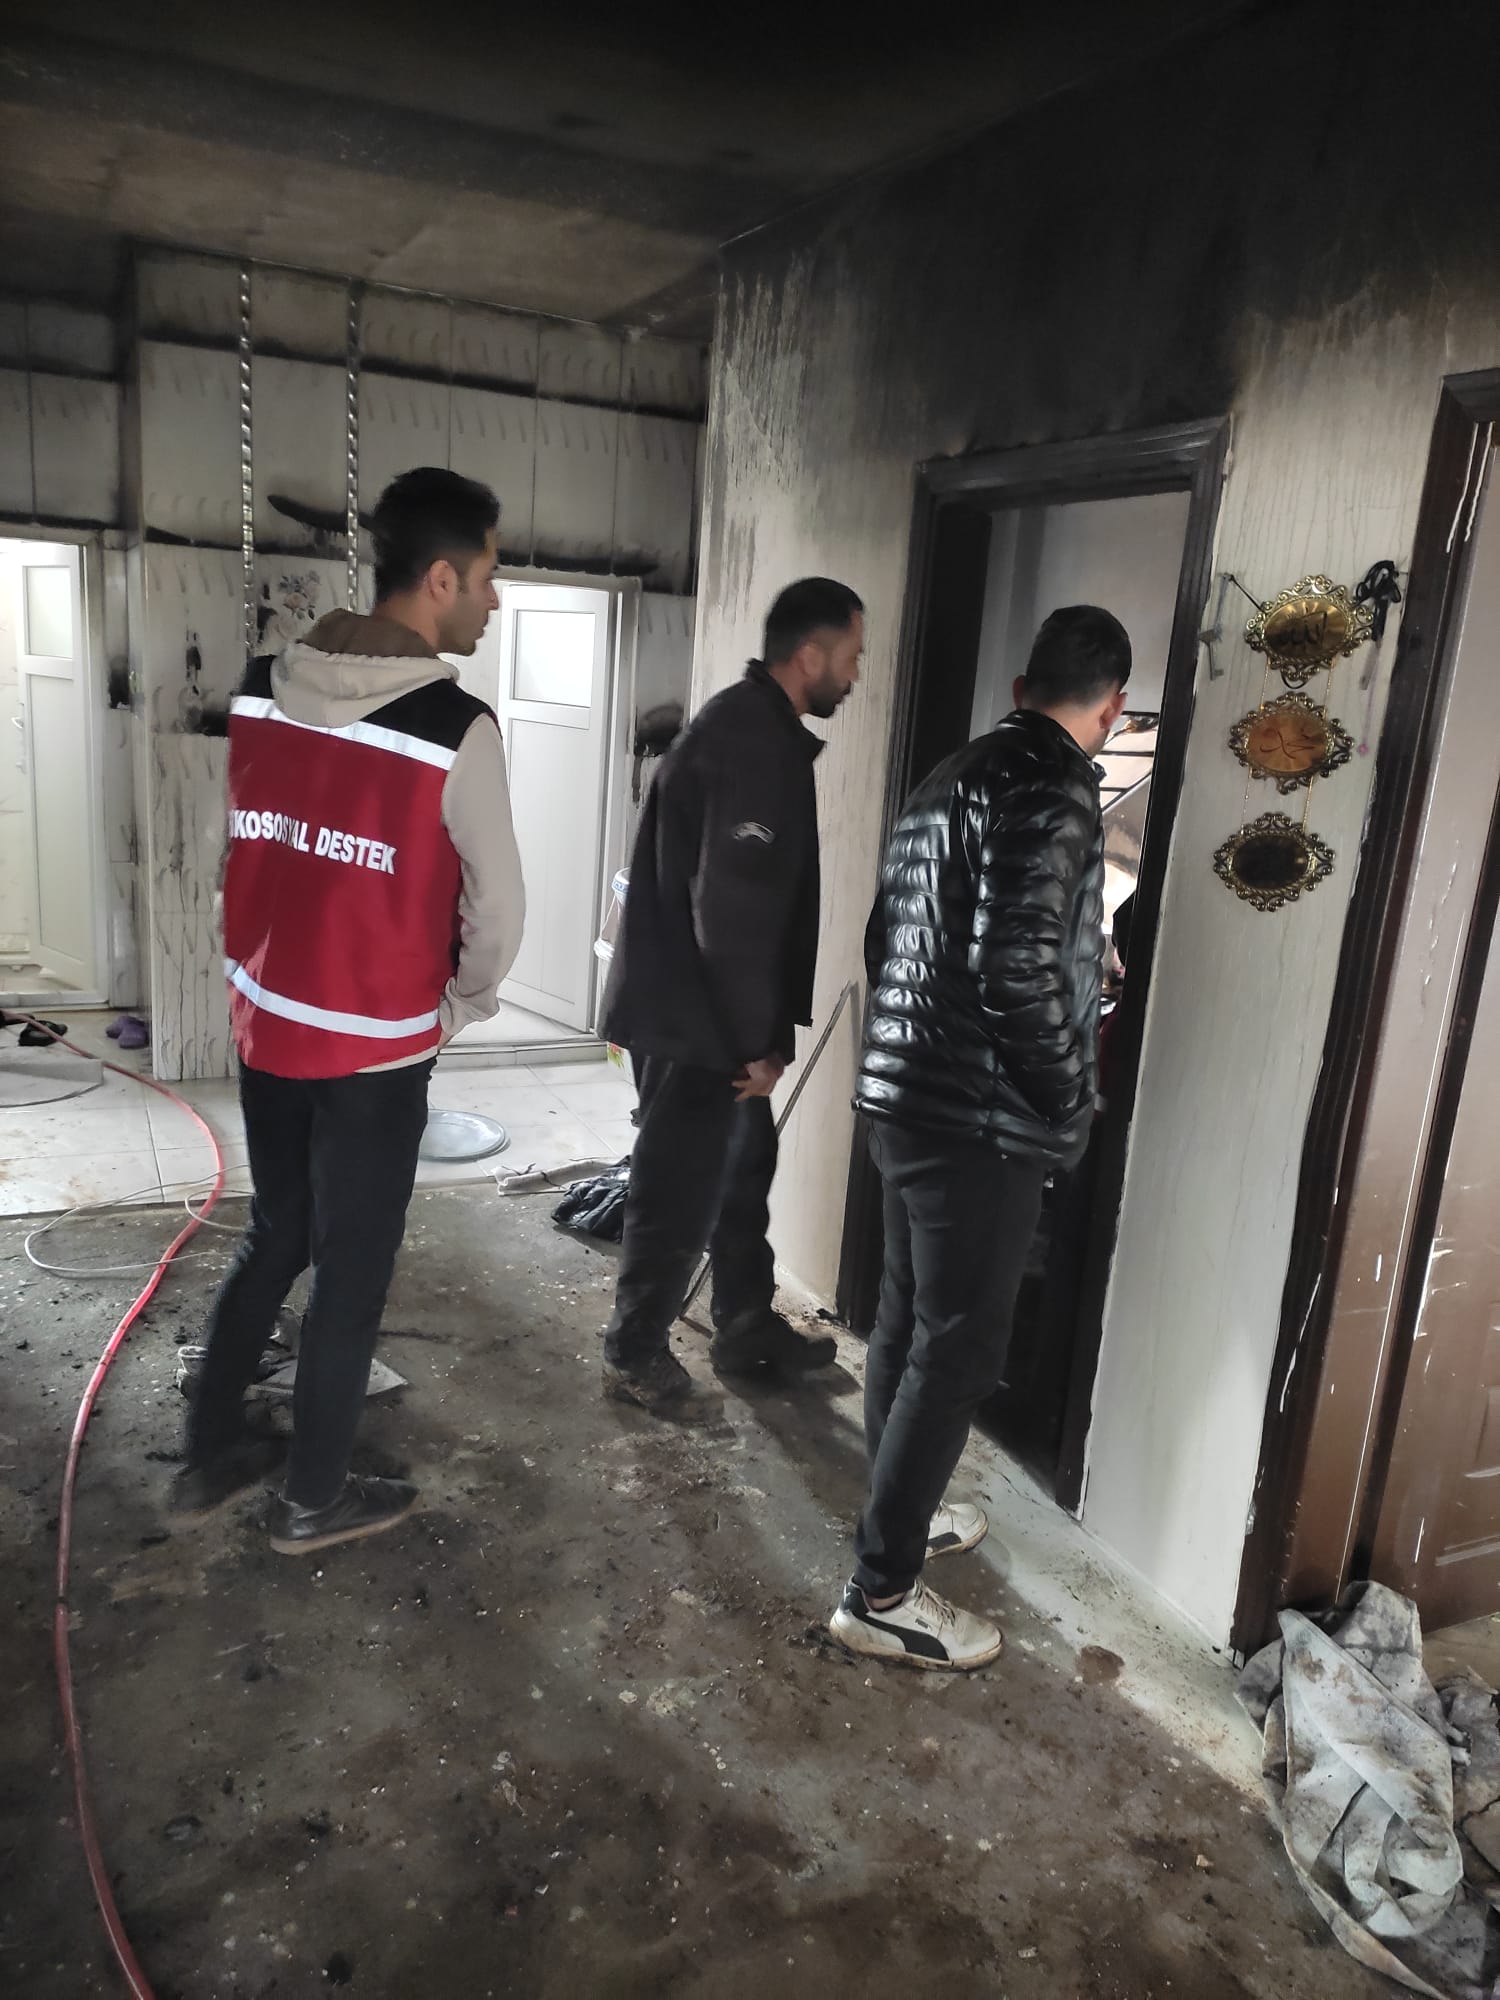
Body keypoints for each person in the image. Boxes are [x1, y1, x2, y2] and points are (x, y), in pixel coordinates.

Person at [171, 467, 525, 1554]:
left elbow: (247, 843)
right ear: (440, 578)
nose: (493, 601)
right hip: (375, 1049)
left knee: (280, 1228)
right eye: (487, 577)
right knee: (353, 1273)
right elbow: (499, 907)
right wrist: (459, 1004)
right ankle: (312, 1500)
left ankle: (210, 1448)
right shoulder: (454, 726)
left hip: (268, 1021)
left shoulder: (262, 685)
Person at [832, 604, 1130, 1670]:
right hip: (979, 1120)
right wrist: (1068, 1100)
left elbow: (894, 936)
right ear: (1113, 707)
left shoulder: (948, 776)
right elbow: (1012, 967)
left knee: (910, 1322)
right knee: (958, 1351)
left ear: (1019, 688)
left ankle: (897, 1515)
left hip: (904, 1094)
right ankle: (881, 1592)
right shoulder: (1056, 786)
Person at [600, 578, 865, 1411]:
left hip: (702, 1007)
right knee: (677, 1185)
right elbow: (731, 912)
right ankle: (633, 1351)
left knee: (744, 1166)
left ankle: (746, 1322)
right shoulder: (752, 746)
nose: (856, 673)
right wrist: (754, 1048)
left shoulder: (756, 729)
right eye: (851, 656)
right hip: (694, 1018)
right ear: (810, 656)